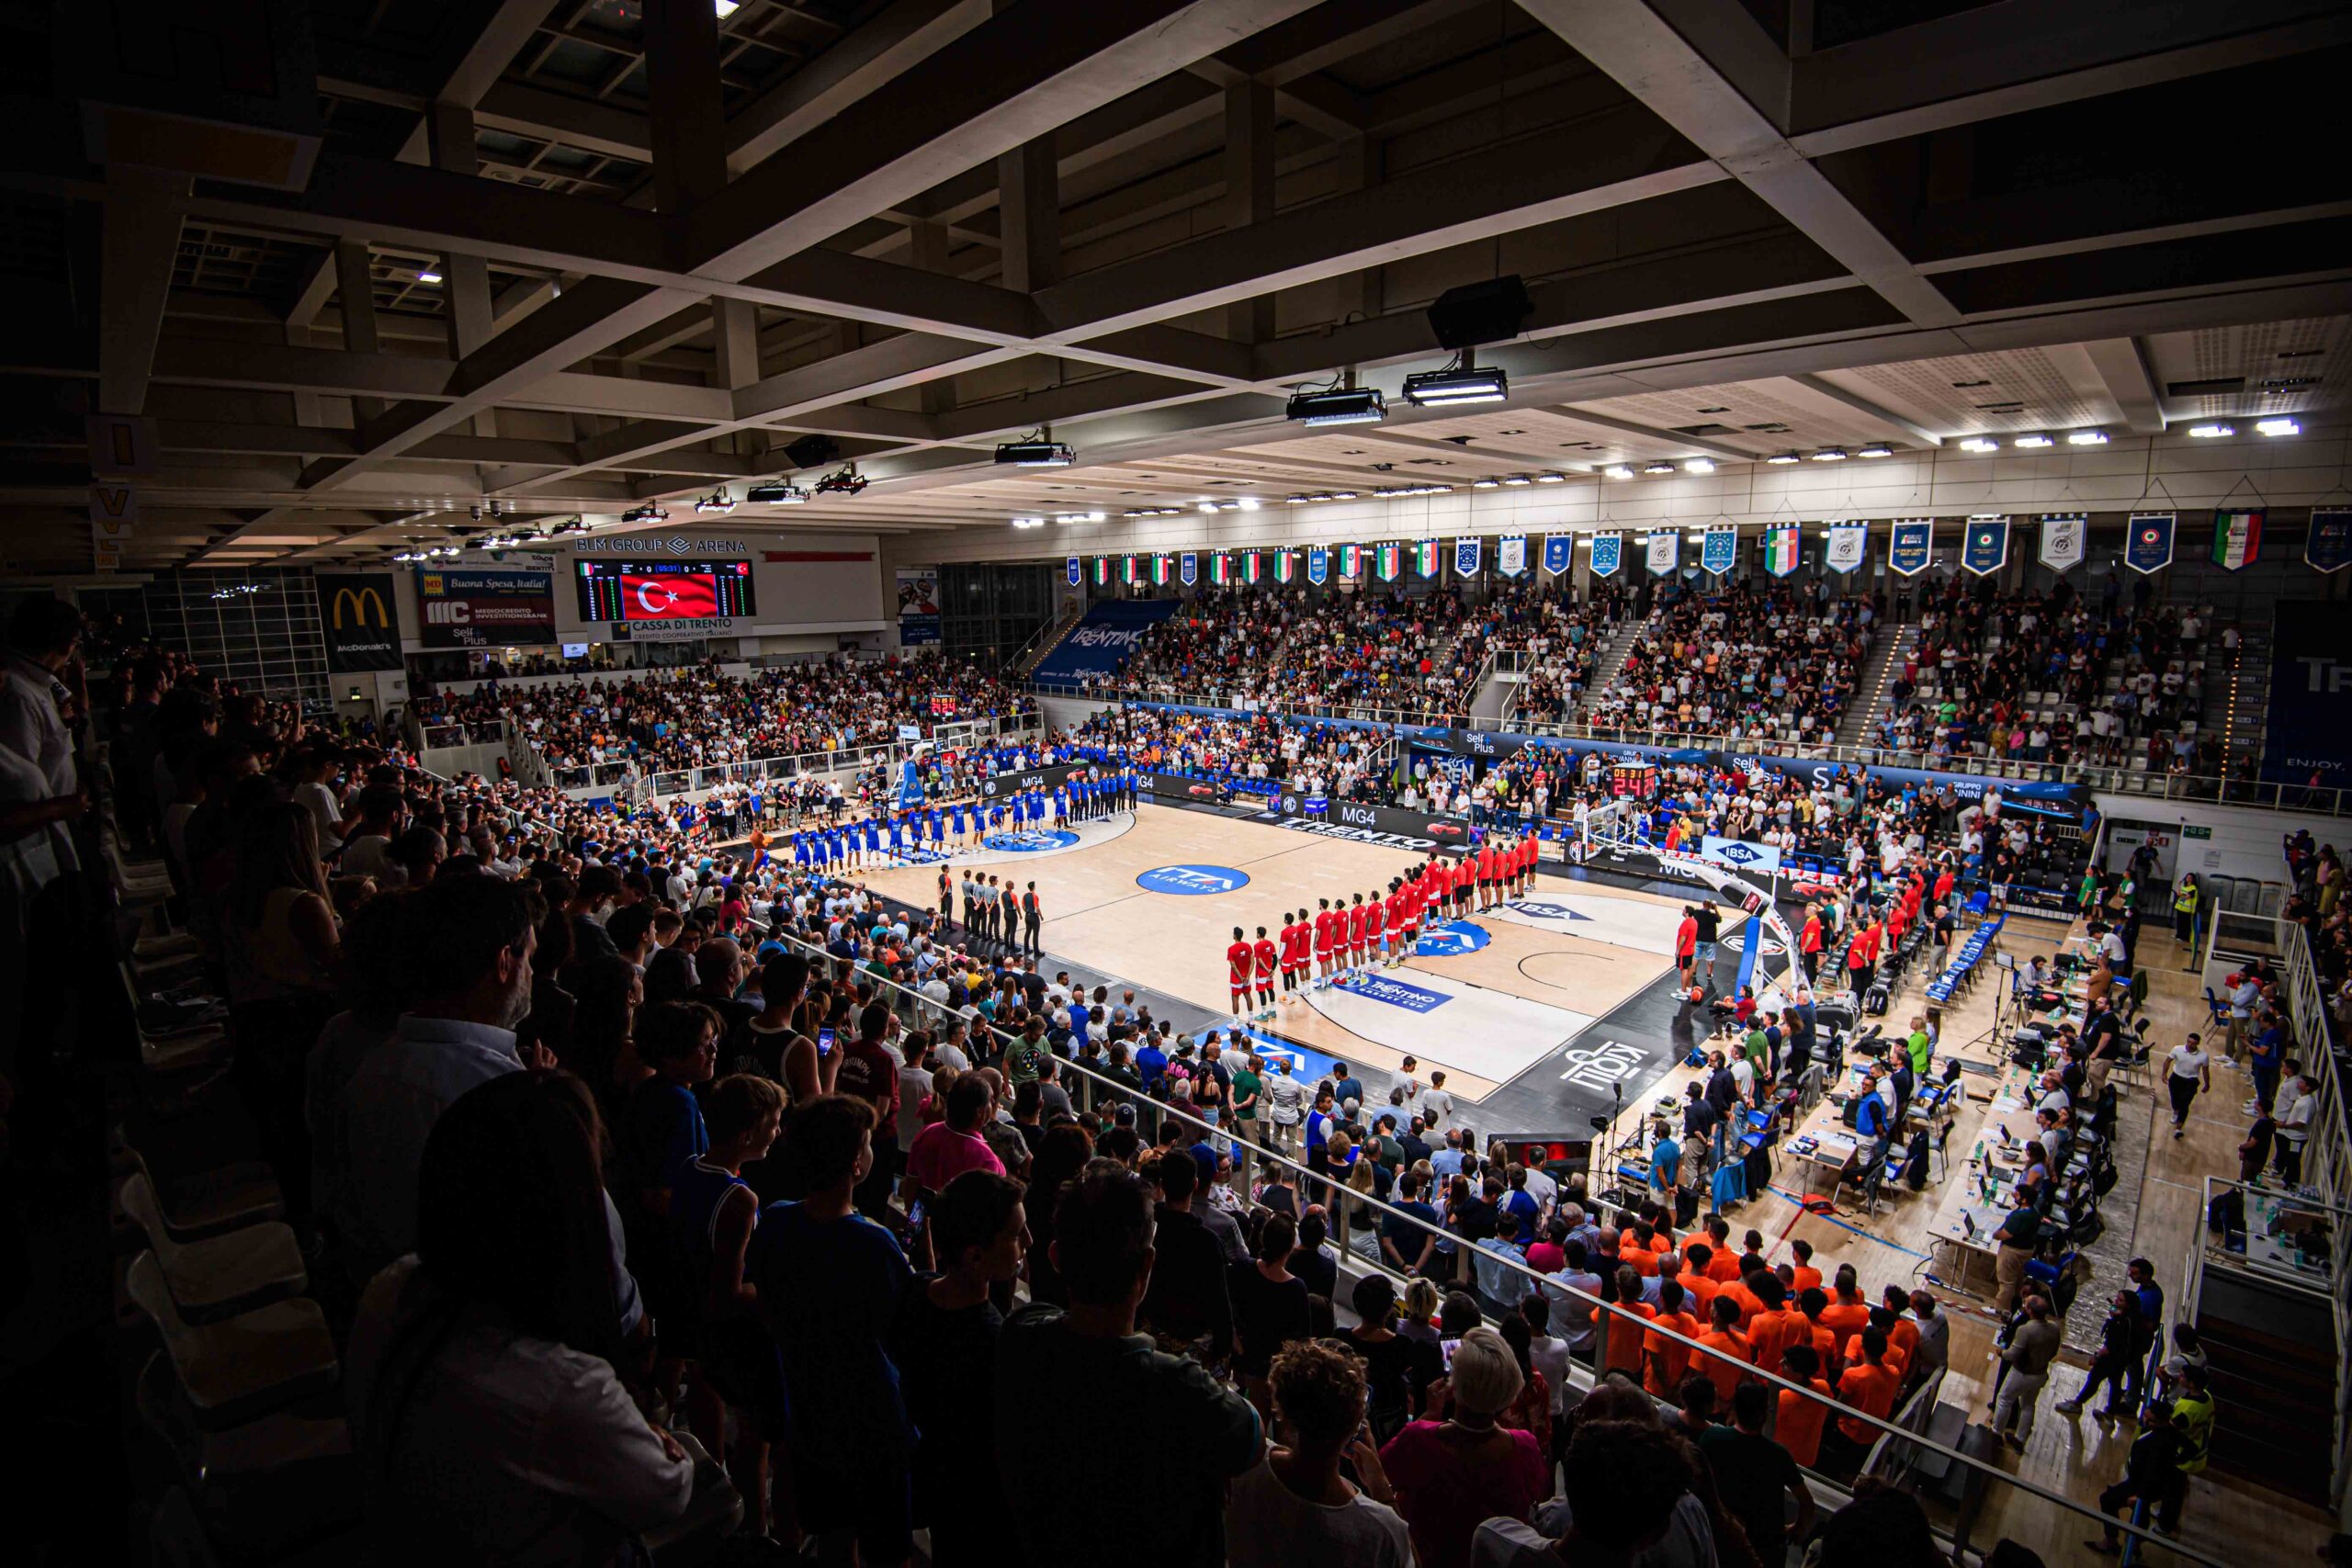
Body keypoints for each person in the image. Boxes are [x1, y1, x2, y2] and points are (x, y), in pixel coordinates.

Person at [345, 1071, 693, 1560]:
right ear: (567, 1215)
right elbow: (668, 1492)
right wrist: (659, 1442)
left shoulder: (391, 1289)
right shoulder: (564, 1389)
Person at [996, 1165, 1262, 1568]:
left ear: (1054, 1257)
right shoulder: (1184, 1389)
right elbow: (1252, 1438)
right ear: (1146, 1268)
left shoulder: (1020, 1334)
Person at [750, 1095, 916, 1566]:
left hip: (807, 1408)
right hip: (874, 1421)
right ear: (856, 1165)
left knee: (834, 1538)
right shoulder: (875, 1244)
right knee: (889, 1548)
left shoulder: (776, 1219)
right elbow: (904, 1329)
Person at [889, 1168, 1026, 1565]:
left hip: (932, 1477)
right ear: (976, 1256)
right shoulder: (996, 1341)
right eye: (1016, 1236)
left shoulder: (915, 1294)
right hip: (980, 1499)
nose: (1026, 1244)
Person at [1227, 1338, 1413, 1568]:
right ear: (1357, 1421)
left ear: (1281, 1405)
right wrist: (1382, 1489)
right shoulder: (1381, 1531)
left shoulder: (1242, 1464)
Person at [1380, 1325, 1549, 1568]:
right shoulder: (1526, 1448)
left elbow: (1379, 1473)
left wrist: (1429, 1414)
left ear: (1454, 1385)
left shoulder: (1418, 1439)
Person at [1700, 1380, 1815, 1559]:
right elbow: (1807, 1502)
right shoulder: (1778, 1455)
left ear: (1735, 1409)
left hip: (1720, 1534)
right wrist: (1796, 1528)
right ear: (1765, 1414)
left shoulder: (1712, 1437)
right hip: (1764, 1544)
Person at [1230, 1213, 1314, 1412]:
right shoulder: (1296, 1288)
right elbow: (1304, 1340)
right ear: (1290, 1246)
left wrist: (1237, 1345)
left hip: (1245, 1361)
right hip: (1277, 1372)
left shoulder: (1243, 1268)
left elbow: (1228, 1308)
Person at [1993, 1294, 2062, 1448]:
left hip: (2022, 1372)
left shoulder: (2026, 1329)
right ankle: (2020, 1440)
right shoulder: (2055, 1328)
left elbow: (2012, 1354)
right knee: (2029, 1405)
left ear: (2029, 1310)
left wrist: (2001, 1353)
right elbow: (2054, 1352)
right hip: (2040, 1373)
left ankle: (1996, 1433)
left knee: (2004, 1399)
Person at [2164, 1031, 2211, 1138]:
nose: (2190, 1045)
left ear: (2197, 1044)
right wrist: (2164, 1074)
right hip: (2176, 1078)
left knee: (2185, 1104)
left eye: (2193, 1043)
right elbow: (2167, 1061)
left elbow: (2205, 1071)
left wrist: (2207, 1084)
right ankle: (2175, 1112)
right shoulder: (2177, 1049)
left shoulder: (2203, 1057)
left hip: (2191, 1081)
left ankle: (2178, 1129)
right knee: (2175, 1099)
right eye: (2189, 1042)